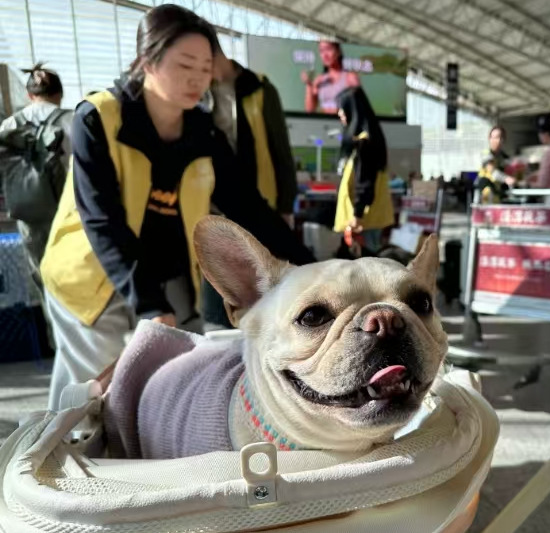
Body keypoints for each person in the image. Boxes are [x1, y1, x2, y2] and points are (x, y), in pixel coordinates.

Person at [40, 4, 315, 410]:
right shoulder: (98, 118)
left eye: (205, 67)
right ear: (148, 60)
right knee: (88, 399)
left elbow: (249, 208)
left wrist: (312, 268)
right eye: (185, 64)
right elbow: (102, 221)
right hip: (94, 276)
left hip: (169, 277)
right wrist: (150, 304)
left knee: (170, 387)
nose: (197, 78)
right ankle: (55, 448)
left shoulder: (203, 132)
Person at [203, 43, 299, 328]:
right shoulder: (199, 93)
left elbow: (281, 149)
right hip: (216, 205)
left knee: (269, 283)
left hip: (260, 201)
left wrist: (285, 206)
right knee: (226, 285)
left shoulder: (259, 88)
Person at [0, 64, 72, 287]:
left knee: (41, 272)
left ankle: (48, 306)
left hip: (27, 211)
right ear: (59, 95)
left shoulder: (10, 125)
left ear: (30, 95)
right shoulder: (74, 120)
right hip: (68, 208)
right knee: (73, 269)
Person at [332, 87, 393, 252]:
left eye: (342, 108)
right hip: (367, 220)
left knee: (368, 263)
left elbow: (365, 181)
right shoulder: (368, 141)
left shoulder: (365, 144)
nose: (339, 113)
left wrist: (357, 214)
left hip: (363, 221)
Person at [301, 40, 360, 114]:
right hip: (325, 120)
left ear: (338, 51)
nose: (325, 55)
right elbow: (309, 110)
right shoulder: (319, 80)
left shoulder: (350, 78)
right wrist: (309, 84)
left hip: (344, 120)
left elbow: (359, 108)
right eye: (321, 51)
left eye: (328, 49)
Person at [475, 125, 511, 204]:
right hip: (485, 195)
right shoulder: (486, 154)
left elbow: (511, 171)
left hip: (499, 196)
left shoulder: (505, 157)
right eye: (494, 137)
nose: (497, 140)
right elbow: (492, 170)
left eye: (500, 137)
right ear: (489, 138)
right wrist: (506, 179)